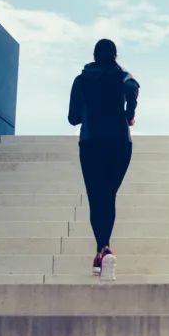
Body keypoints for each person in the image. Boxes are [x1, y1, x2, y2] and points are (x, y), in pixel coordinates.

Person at [68, 38, 139, 281]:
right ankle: (103, 250)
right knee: (108, 194)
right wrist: (129, 114)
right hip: (120, 143)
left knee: (97, 197)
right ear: (115, 57)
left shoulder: (81, 80)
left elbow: (73, 118)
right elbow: (134, 88)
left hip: (91, 143)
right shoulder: (123, 77)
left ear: (94, 57)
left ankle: (102, 249)